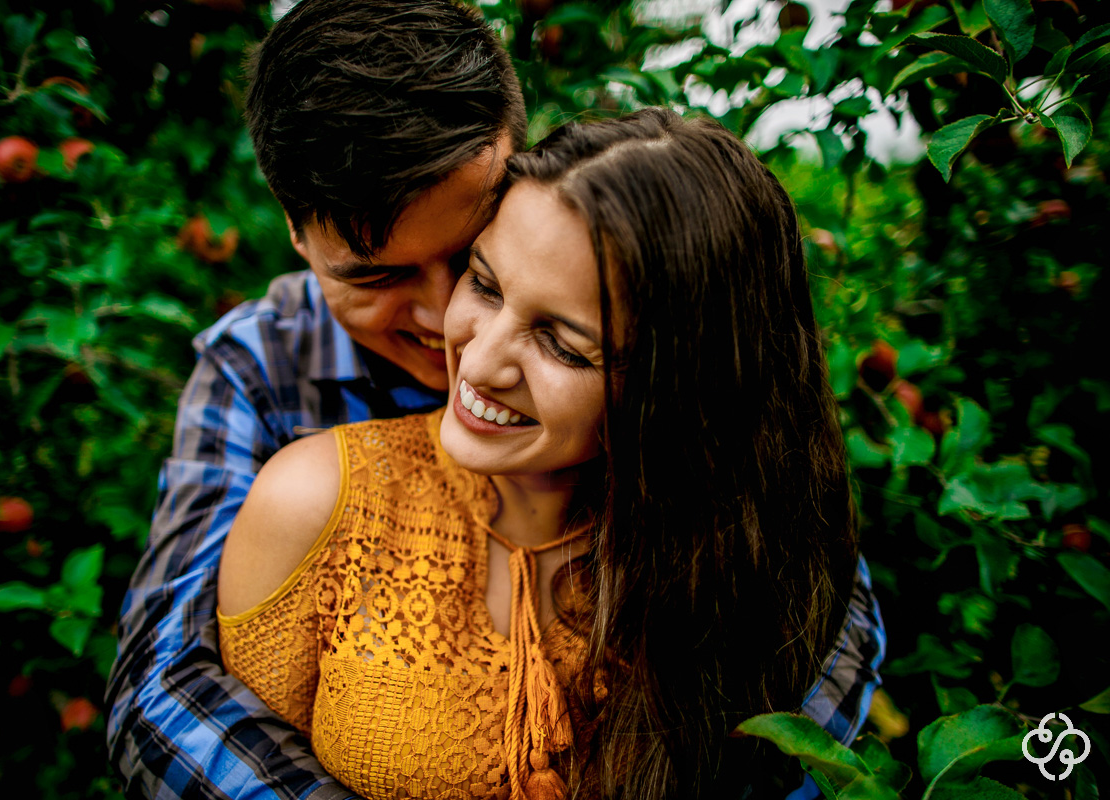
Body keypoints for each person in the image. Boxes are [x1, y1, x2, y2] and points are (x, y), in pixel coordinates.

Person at [106, 1, 884, 797]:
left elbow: (807, 604)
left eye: (470, 255)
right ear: (298, 235)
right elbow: (164, 683)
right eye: (377, 276)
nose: (453, 324)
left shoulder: (644, 342)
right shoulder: (263, 367)